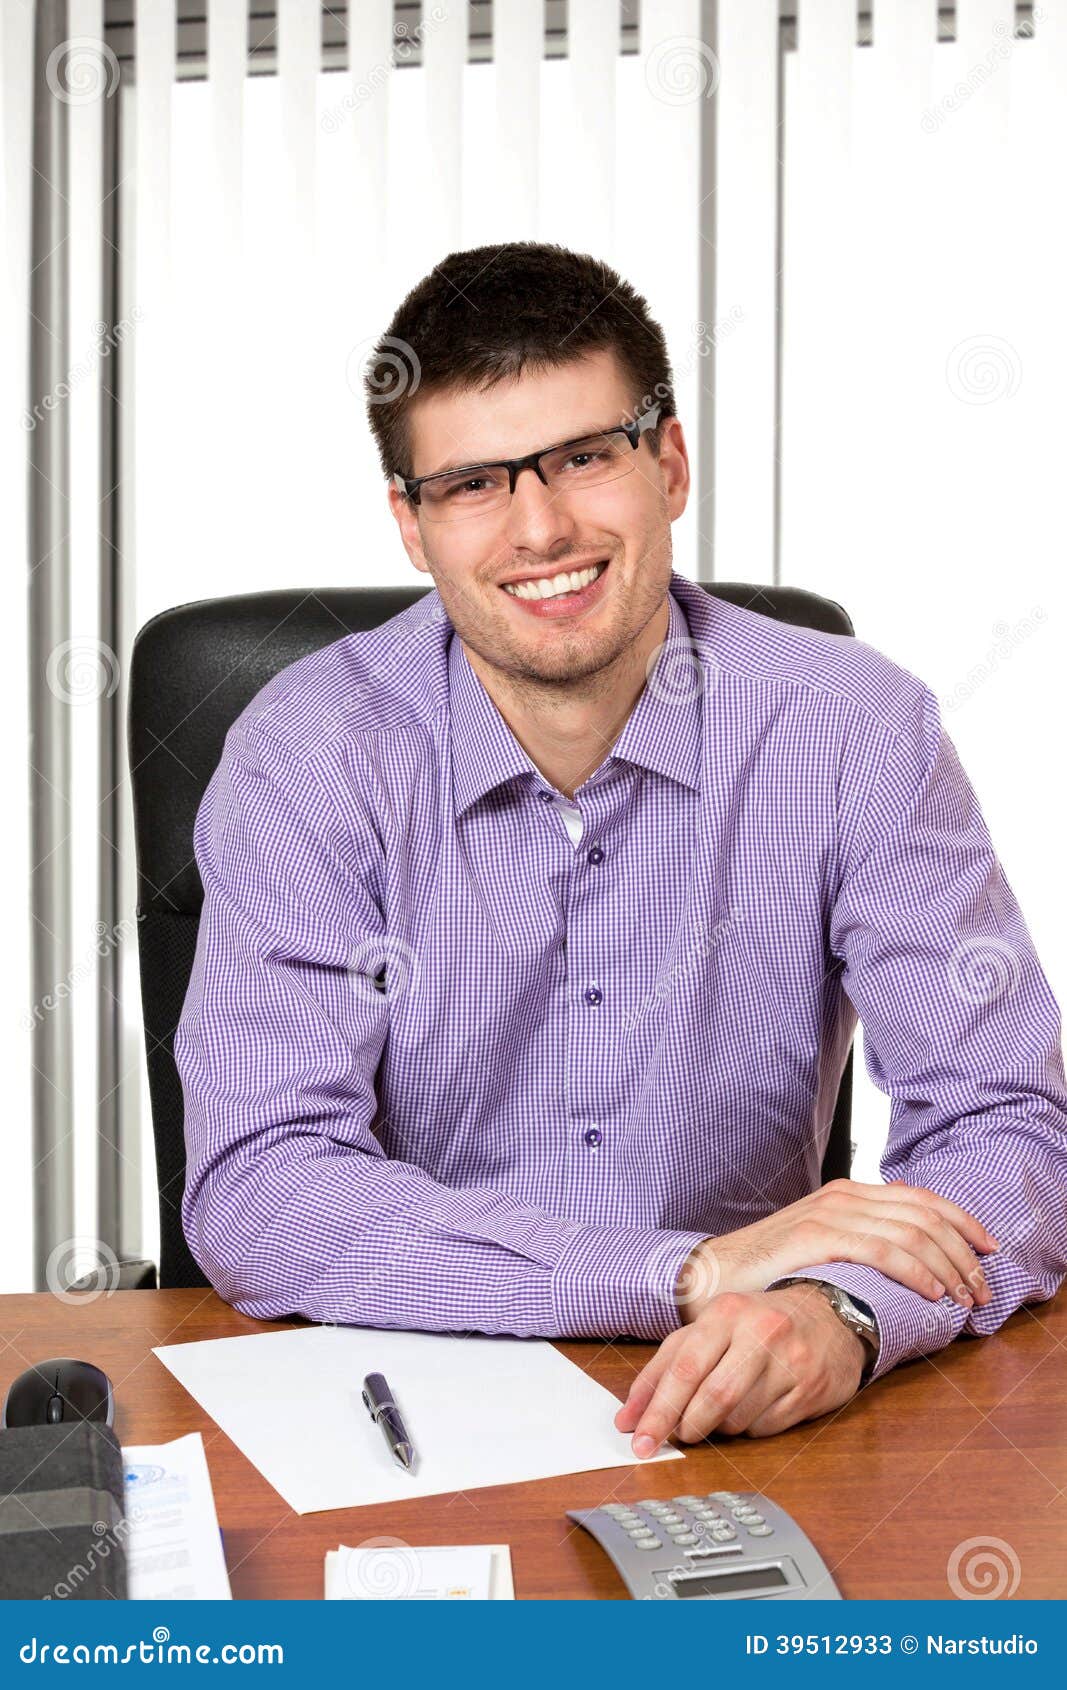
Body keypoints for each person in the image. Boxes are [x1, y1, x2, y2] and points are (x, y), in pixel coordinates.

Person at [174, 242, 1067, 1452]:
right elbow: (264, 1185)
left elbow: (1008, 1123)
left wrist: (839, 1311)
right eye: (475, 483)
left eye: (584, 457)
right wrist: (681, 1273)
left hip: (750, 1408)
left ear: (669, 463)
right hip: (393, 1407)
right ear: (410, 523)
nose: (540, 528)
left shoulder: (854, 728)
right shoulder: (311, 751)